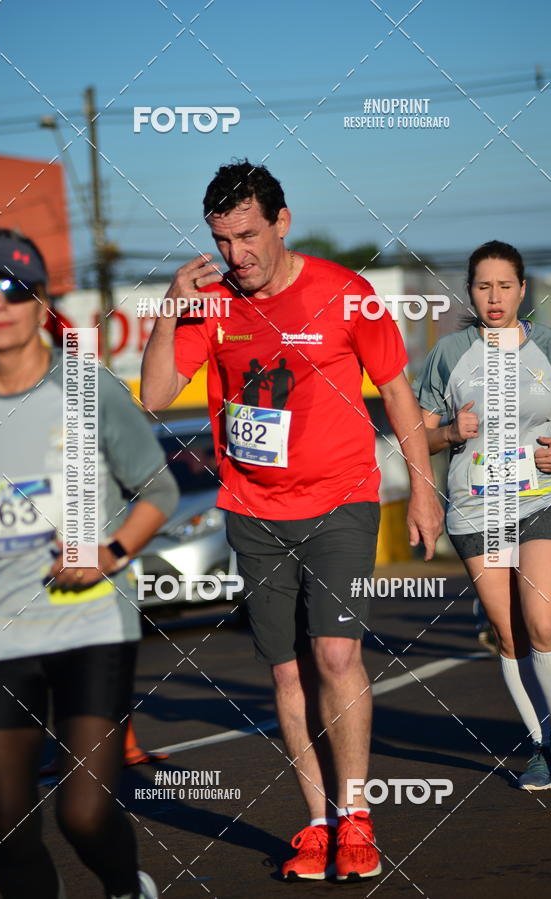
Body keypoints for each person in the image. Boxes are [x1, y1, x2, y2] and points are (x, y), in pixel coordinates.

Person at [141, 160, 443, 882]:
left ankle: (358, 816)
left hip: (341, 498)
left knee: (336, 656)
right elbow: (154, 395)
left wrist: (425, 490)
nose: (235, 255)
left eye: (248, 235)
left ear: (281, 221)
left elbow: (397, 393)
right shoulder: (210, 303)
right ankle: (317, 824)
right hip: (252, 508)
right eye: (222, 240)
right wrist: (169, 312)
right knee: (286, 673)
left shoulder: (347, 294)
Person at [0, 229, 179, 898]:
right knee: (4, 827)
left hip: (90, 624)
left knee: (83, 811)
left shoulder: (85, 386)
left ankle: (128, 887)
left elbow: (159, 490)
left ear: (41, 301)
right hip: (1, 633)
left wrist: (108, 553)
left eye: (14, 288)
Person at [413, 239, 551, 791]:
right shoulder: (450, 353)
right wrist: (448, 432)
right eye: (483, 286)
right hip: (477, 507)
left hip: (546, 497)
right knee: (510, 634)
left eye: (505, 286)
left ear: (521, 289)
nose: (494, 297)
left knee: (542, 621)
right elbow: (417, 436)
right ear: (470, 290)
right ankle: (538, 744)